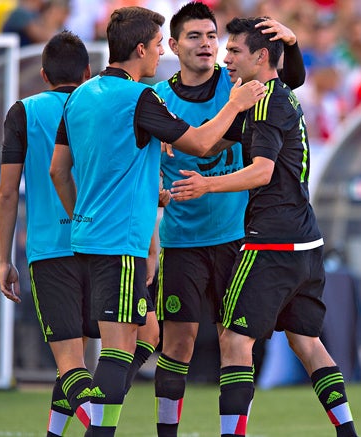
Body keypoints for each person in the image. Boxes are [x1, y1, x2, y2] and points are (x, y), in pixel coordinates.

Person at [49, 7, 266, 436]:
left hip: (85, 239)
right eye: (161, 43)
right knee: (117, 352)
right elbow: (203, 144)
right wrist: (237, 105)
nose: (161, 53)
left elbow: (59, 169)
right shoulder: (142, 98)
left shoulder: (79, 95)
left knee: (146, 337)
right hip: (121, 244)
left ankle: (68, 427)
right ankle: (97, 431)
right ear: (143, 48)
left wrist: (83, 214)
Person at [170, 17, 359, 437]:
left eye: (234, 51)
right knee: (307, 343)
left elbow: (261, 171)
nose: (225, 57)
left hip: (270, 244)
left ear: (259, 56)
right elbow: (214, 142)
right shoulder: (281, 95)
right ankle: (348, 431)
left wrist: (207, 186)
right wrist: (175, 146)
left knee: (234, 342)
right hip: (307, 243)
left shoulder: (265, 104)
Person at [150, 3, 306, 435]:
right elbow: (144, 170)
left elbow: (286, 86)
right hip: (181, 238)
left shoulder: (238, 82)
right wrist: (157, 197)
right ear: (175, 45)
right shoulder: (157, 100)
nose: (207, 44)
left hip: (237, 238)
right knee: (177, 344)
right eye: (195, 36)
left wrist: (291, 44)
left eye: (212, 36)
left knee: (233, 342)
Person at [0, 31, 96, 437]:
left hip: (49, 252)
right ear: (88, 72)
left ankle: (102, 428)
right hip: (101, 246)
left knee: (70, 362)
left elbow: (7, 193)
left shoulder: (23, 112)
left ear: (43, 75)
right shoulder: (100, 105)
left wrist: (5, 259)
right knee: (87, 359)